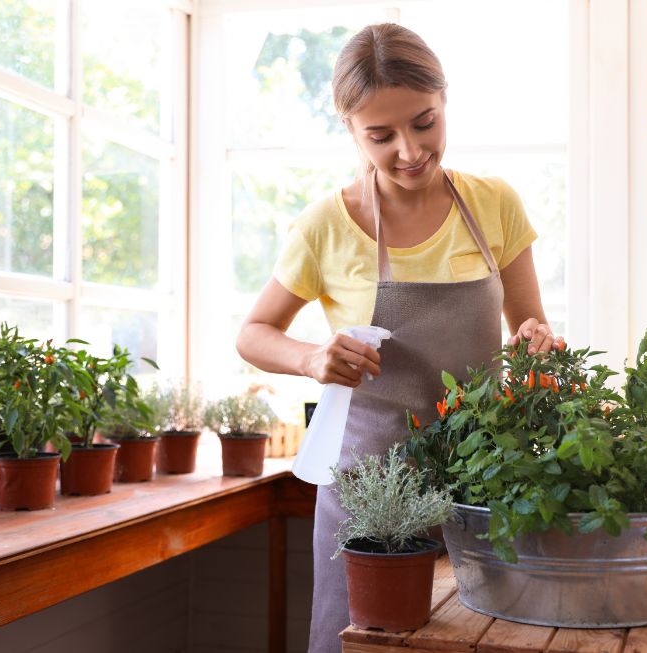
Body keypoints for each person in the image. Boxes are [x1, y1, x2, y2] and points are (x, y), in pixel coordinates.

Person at [235, 22, 563, 653]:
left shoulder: (494, 204)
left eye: (424, 122)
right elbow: (252, 334)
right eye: (381, 136)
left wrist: (534, 341)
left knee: (485, 638)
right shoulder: (324, 226)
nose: (410, 150)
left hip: (483, 481)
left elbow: (529, 324)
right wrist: (311, 356)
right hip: (367, 490)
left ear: (443, 104)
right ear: (350, 130)